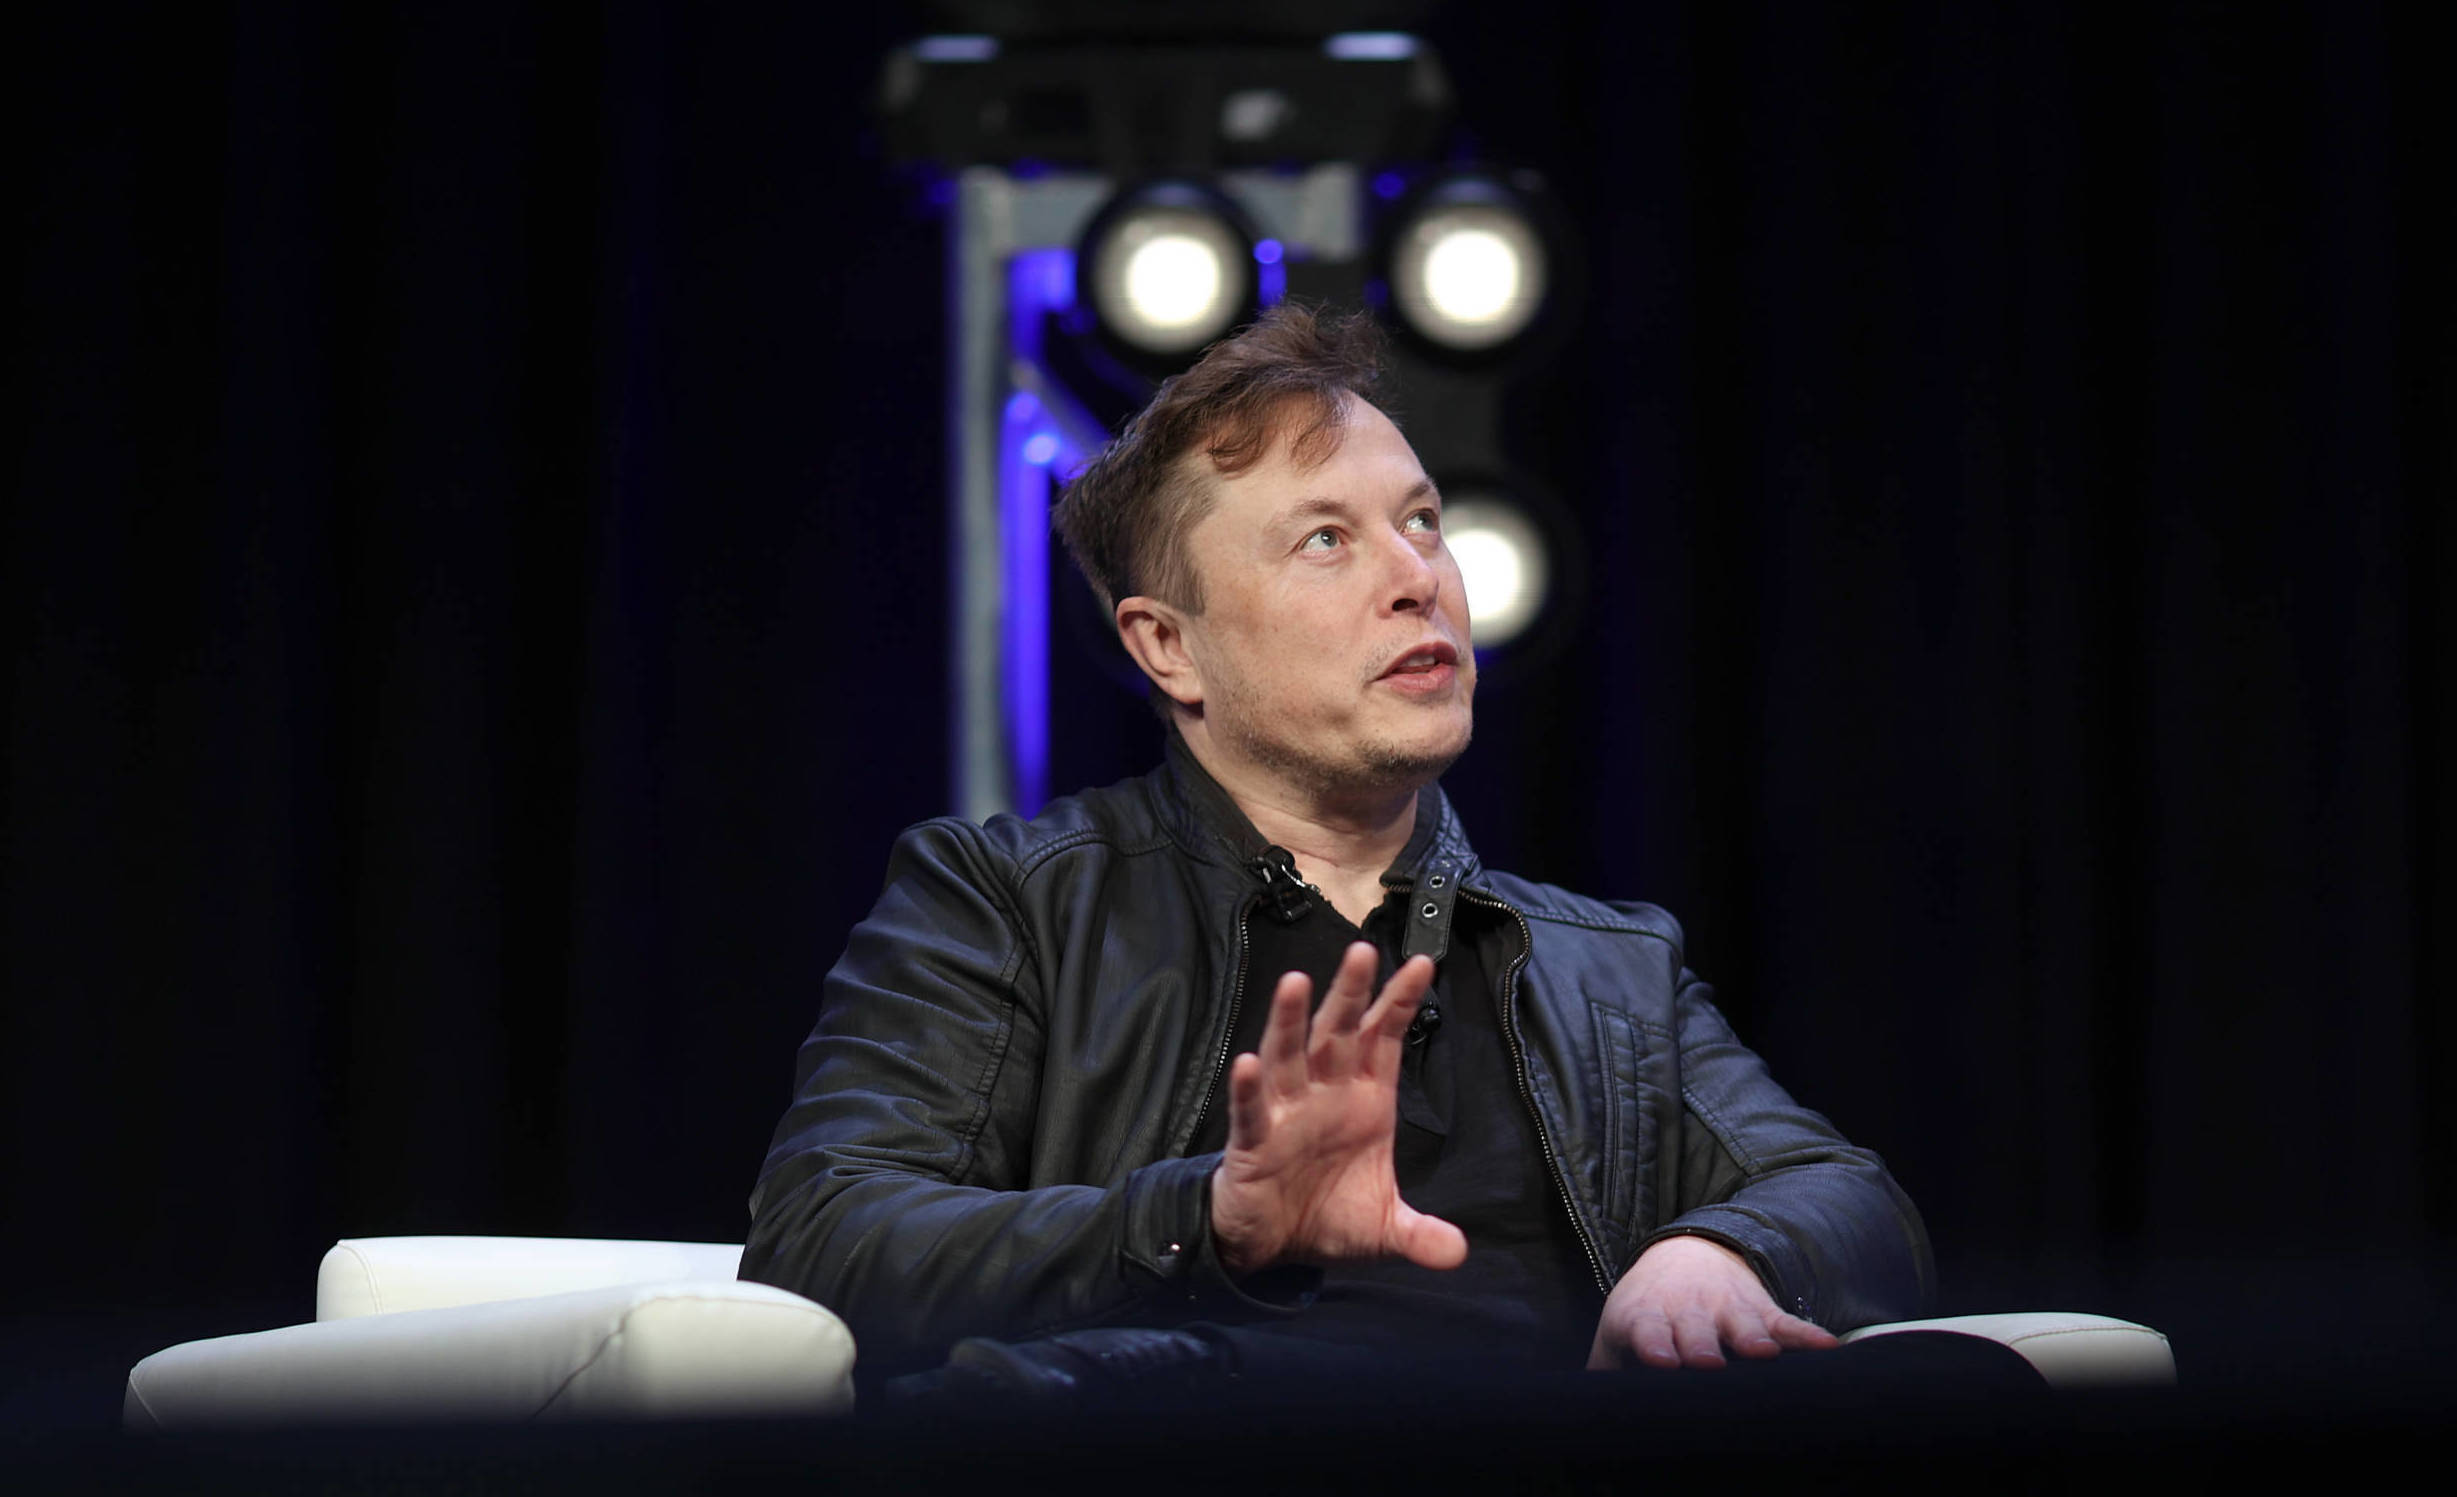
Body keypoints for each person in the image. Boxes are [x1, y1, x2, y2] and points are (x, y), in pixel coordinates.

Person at [741, 303, 1935, 1402]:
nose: (1418, 579)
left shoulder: (1605, 965)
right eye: (1325, 540)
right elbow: (824, 1237)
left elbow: (1849, 1199)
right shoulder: (1011, 901)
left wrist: (1716, 1252)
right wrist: (1214, 1219)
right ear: (1168, 647)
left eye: (1422, 522)